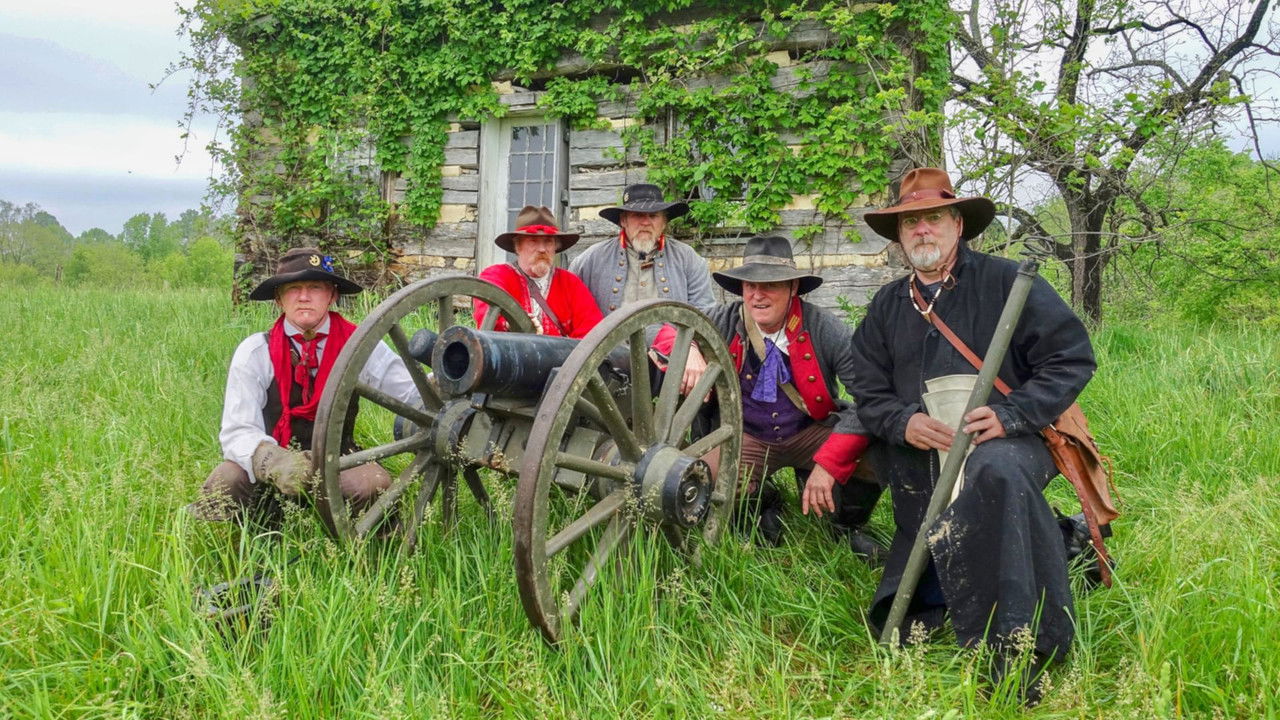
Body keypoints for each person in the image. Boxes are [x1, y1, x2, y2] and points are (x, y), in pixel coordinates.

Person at [850, 167, 1097, 704]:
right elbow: (864, 383)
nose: (921, 230)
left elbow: (1070, 358)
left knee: (996, 472)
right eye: (910, 221)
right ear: (899, 235)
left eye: (933, 217)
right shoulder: (889, 306)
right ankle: (1053, 541)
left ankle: (1019, 644)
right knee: (914, 490)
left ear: (957, 224)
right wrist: (902, 422)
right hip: (928, 447)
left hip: (1015, 440)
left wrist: (1010, 416)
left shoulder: (1010, 283)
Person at [654, 235, 884, 555]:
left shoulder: (825, 327)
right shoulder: (726, 318)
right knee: (700, 484)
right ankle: (763, 504)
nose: (758, 295)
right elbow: (669, 329)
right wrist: (689, 347)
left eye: (770, 285)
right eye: (750, 286)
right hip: (748, 437)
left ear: (792, 288)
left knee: (876, 456)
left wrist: (830, 464)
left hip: (809, 432)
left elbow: (869, 398)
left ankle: (845, 526)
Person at [190, 247, 419, 525]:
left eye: (315, 287)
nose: (304, 296)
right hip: (275, 455)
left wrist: (446, 383)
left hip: (338, 457)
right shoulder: (255, 351)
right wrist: (274, 462)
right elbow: (237, 430)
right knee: (224, 481)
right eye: (293, 288)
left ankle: (366, 556)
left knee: (372, 483)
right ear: (278, 299)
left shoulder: (358, 345)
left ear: (332, 295)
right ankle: (230, 553)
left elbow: (411, 393)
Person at [569, 183, 715, 316]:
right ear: (623, 220)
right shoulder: (591, 259)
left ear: (664, 222)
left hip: (672, 345)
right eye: (637, 215)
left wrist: (693, 344)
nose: (645, 222)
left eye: (653, 216)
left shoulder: (688, 259)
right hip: (613, 345)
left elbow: (704, 313)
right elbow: (568, 308)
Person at [474, 205, 603, 338]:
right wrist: (513, 324)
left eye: (548, 242)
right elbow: (486, 314)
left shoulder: (570, 283)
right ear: (518, 246)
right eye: (533, 241)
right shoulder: (496, 276)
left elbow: (590, 331)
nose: (542, 249)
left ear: (555, 247)